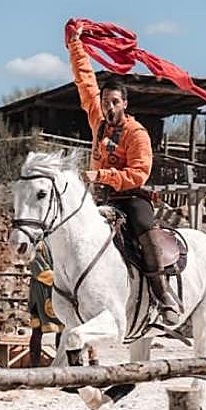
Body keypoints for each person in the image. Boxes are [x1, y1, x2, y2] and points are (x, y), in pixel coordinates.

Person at [66, 25, 181, 320]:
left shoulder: (136, 133)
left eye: (115, 102)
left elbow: (139, 174)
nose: (108, 106)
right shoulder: (98, 121)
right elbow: (85, 81)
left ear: (125, 104)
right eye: (105, 102)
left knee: (145, 229)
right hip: (100, 198)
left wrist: (102, 176)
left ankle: (161, 291)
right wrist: (76, 46)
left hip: (130, 197)